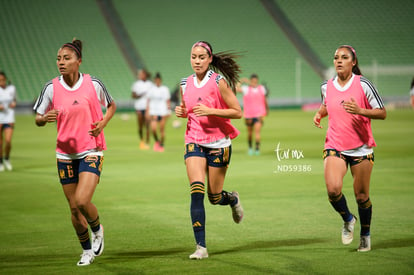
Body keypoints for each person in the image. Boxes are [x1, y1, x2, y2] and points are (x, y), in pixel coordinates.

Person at [33, 39, 116, 266]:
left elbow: (111, 106)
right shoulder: (51, 87)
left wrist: (102, 123)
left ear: (78, 62)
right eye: (59, 58)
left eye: (66, 58)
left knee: (81, 200)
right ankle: (86, 251)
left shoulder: (93, 83)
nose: (61, 62)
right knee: (73, 208)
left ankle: (98, 230)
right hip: (65, 154)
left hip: (91, 149)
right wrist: (43, 119)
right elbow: (38, 118)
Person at [313, 45, 386, 252]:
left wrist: (361, 110)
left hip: (361, 148)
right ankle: (348, 218)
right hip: (335, 144)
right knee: (333, 189)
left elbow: (382, 112)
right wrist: (320, 114)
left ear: (353, 62)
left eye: (344, 57)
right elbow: (327, 104)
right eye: (336, 57)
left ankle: (365, 234)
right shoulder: (326, 86)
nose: (338, 61)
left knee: (362, 196)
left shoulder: (363, 84)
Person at [175, 41, 244, 259]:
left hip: (218, 144)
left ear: (210, 59)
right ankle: (201, 247)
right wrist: (182, 111)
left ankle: (232, 199)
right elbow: (190, 110)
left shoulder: (218, 82)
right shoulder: (185, 83)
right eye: (194, 57)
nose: (197, 61)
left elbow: (237, 112)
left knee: (214, 197)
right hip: (193, 140)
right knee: (196, 191)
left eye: (201, 57)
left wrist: (211, 111)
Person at [236, 74, 268, 155]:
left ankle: (253, 149)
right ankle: (254, 149)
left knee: (253, 133)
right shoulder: (251, 89)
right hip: (253, 114)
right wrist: (266, 110)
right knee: (253, 133)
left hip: (254, 114)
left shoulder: (250, 89)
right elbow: (265, 100)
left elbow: (236, 88)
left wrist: (242, 81)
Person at [146, 72, 170, 152]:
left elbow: (167, 101)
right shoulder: (151, 90)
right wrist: (147, 111)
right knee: (153, 129)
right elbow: (148, 100)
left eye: (158, 80)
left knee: (162, 129)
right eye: (156, 80)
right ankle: (157, 141)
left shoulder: (165, 89)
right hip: (154, 111)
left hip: (163, 111)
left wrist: (169, 110)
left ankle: (161, 144)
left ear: (160, 80)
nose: (157, 81)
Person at [131, 69, 153, 150]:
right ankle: (142, 140)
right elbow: (133, 95)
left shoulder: (150, 84)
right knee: (140, 126)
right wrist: (140, 95)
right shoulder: (136, 84)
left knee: (147, 125)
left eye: (142, 74)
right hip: (139, 107)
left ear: (145, 75)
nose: (140, 75)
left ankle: (147, 142)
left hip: (148, 107)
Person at [0, 71, 16, 171]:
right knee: (0, 143)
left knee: (8, 141)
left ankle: (7, 158)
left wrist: (14, 103)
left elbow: (14, 100)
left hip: (9, 117)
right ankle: (0, 161)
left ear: (5, 79)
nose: (1, 82)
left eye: (2, 80)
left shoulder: (12, 88)